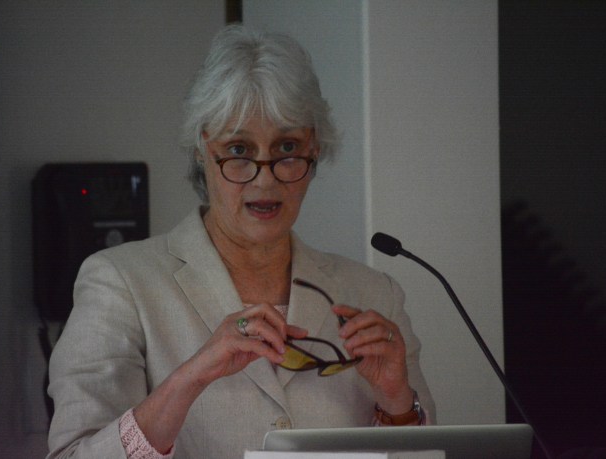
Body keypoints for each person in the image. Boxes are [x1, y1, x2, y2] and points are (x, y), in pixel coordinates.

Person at [47, 25, 435, 459]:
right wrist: (192, 376)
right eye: (238, 150)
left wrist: (397, 402)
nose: (265, 179)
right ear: (202, 149)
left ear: (315, 151)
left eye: (287, 147)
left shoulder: (373, 294)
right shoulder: (120, 283)